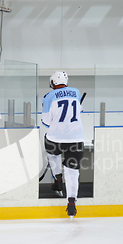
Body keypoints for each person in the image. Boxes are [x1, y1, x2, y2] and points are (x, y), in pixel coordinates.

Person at [41, 71, 84, 218]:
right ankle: (71, 203)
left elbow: (46, 121)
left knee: (52, 153)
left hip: (56, 138)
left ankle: (58, 179)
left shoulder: (48, 96)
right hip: (76, 138)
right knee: (72, 171)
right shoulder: (76, 92)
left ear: (52, 82)